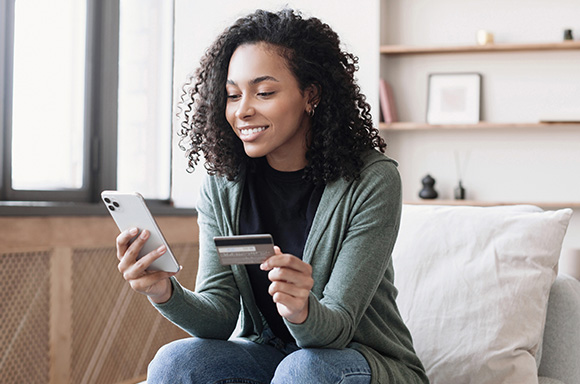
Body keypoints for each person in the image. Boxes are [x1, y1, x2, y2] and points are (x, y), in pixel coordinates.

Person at [116, 8, 428, 384]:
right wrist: (165, 291)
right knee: (175, 361)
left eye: (263, 92)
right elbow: (220, 314)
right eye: (232, 95)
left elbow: (338, 328)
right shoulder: (223, 184)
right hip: (272, 356)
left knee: (305, 368)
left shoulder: (371, 180)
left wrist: (301, 309)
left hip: (356, 361)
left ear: (310, 95)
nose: (242, 110)